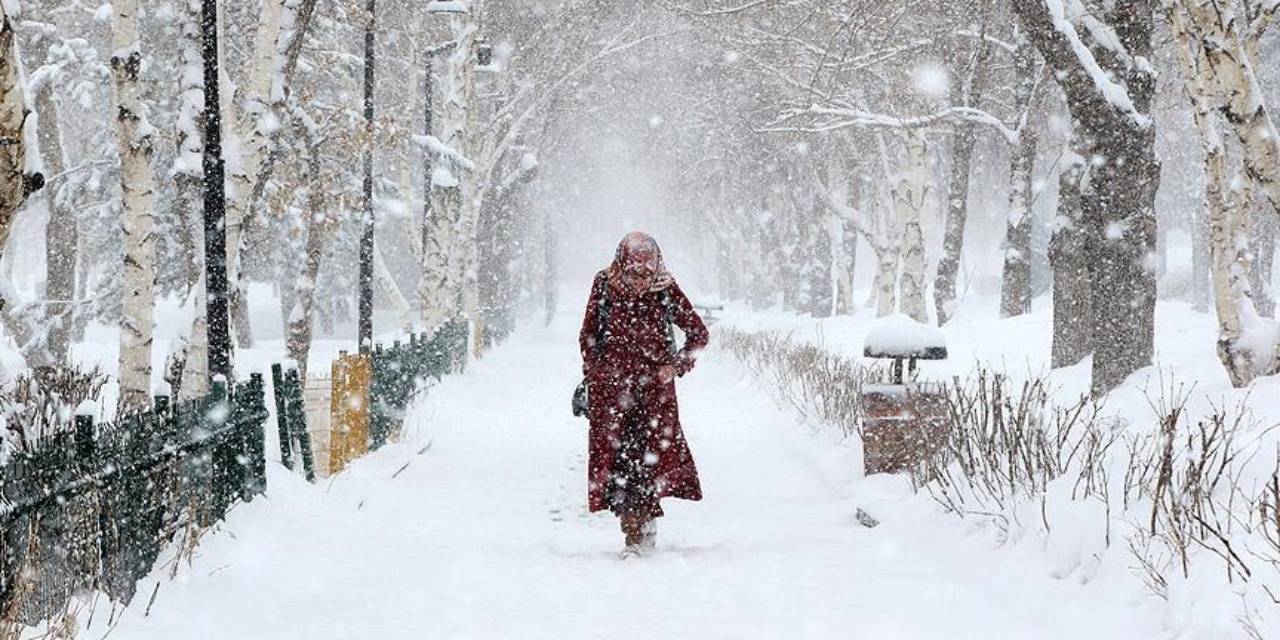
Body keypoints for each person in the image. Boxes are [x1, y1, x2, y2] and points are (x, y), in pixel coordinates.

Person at [579, 231, 710, 556]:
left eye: (646, 274)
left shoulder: (665, 289)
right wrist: (597, 372)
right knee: (619, 465)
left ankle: (641, 531)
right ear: (622, 265)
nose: (640, 281)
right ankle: (634, 530)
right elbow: (588, 335)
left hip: (655, 397)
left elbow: (698, 334)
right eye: (634, 273)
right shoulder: (604, 285)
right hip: (612, 395)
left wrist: (675, 366)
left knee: (647, 463)